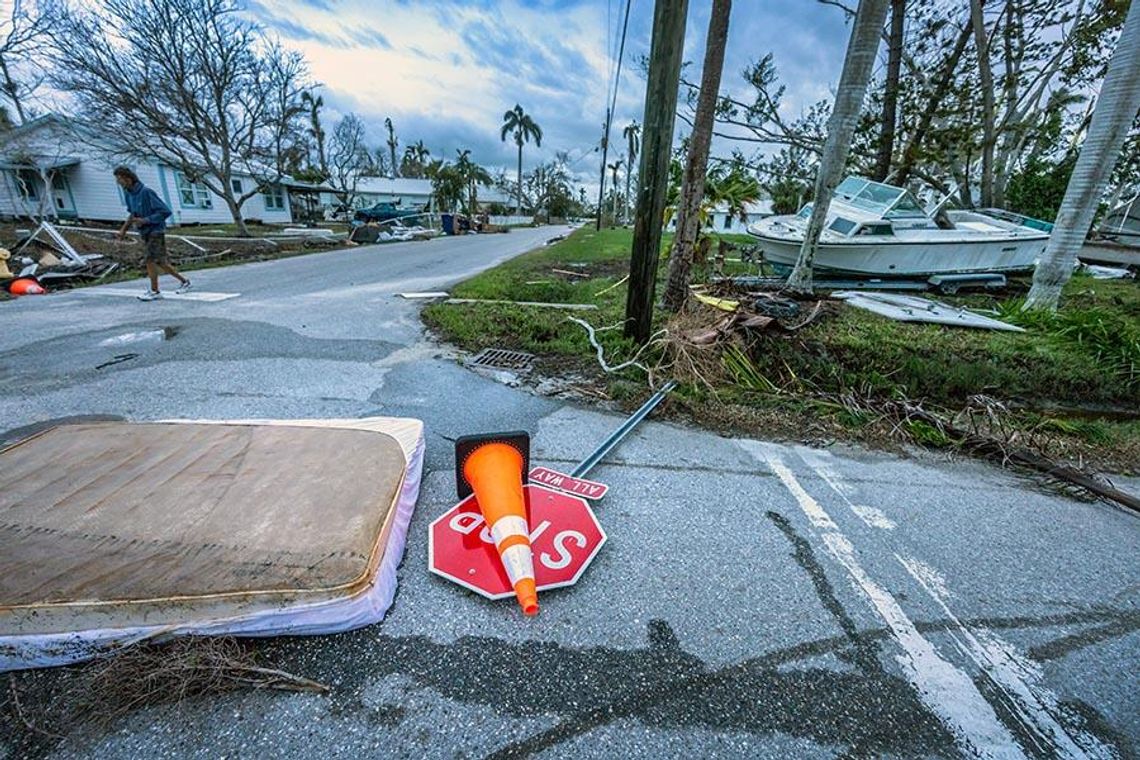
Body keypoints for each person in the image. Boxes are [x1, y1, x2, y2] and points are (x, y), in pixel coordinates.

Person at [114, 166, 191, 300]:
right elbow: (132, 214)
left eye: (120, 179)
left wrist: (146, 220)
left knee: (149, 259)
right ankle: (185, 282)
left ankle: (155, 291)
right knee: (160, 262)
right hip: (144, 231)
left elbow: (165, 211)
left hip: (156, 230)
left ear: (128, 179)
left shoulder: (146, 192)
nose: (118, 182)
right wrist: (123, 230)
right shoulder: (129, 195)